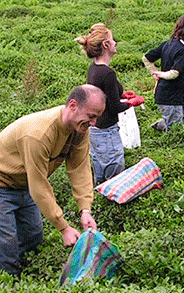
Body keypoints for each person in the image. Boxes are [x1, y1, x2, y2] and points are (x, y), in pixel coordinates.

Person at [0, 84, 106, 277]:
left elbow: (80, 168)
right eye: (91, 116)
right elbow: (38, 185)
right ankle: (5, 284)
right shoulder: (39, 134)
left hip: (23, 183)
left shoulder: (80, 130)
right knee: (4, 245)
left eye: (96, 117)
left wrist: (85, 209)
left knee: (33, 237)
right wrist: (64, 228)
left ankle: (25, 275)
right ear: (73, 105)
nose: (93, 123)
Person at [75, 23, 144, 185]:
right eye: (113, 40)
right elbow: (113, 108)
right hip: (108, 133)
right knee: (115, 177)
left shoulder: (94, 69)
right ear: (106, 45)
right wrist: (132, 102)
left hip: (95, 130)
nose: (115, 43)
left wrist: (122, 95)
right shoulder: (108, 73)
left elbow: (102, 96)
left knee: (100, 172)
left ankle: (97, 203)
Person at [142, 14, 184, 131]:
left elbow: (146, 58)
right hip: (170, 97)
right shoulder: (183, 50)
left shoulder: (168, 43)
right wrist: (159, 74)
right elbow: (174, 73)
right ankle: (161, 126)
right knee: (176, 130)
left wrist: (154, 72)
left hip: (164, 94)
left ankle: (163, 124)